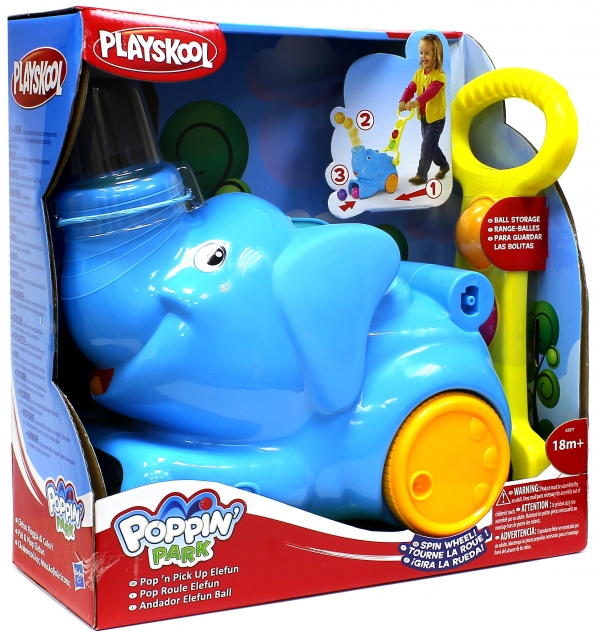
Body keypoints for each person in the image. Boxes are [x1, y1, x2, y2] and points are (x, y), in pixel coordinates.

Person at [399, 34, 449, 185]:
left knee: (426, 146)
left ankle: (421, 175)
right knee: (431, 146)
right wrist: (403, 100)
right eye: (421, 53)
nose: (423, 56)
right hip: (424, 118)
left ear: (436, 54)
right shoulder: (419, 73)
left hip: (436, 119)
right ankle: (444, 165)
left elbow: (431, 92)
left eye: (427, 53)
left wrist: (415, 102)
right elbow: (411, 88)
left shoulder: (439, 76)